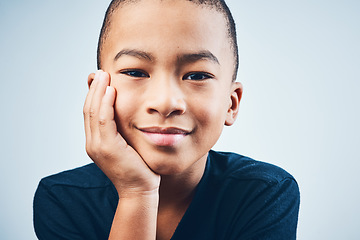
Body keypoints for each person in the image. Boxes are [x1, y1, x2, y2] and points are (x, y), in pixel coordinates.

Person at [33, 0, 300, 239]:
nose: (165, 102)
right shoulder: (62, 199)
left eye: (197, 76)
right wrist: (137, 193)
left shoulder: (265, 192)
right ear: (98, 92)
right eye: (136, 71)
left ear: (232, 103)